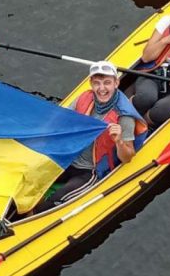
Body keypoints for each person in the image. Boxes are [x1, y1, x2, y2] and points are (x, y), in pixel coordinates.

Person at [41, 61, 148, 208]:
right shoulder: (83, 98)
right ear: (91, 84)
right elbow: (60, 121)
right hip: (69, 157)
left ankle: (37, 212)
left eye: (107, 83)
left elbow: (127, 157)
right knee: (34, 181)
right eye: (97, 83)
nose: (102, 88)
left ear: (116, 83)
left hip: (89, 170)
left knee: (55, 200)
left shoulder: (124, 117)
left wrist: (119, 141)